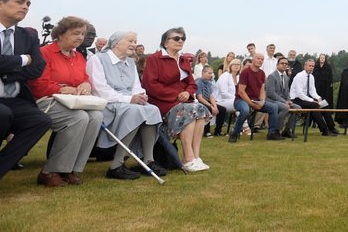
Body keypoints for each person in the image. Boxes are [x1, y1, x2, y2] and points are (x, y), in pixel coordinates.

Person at [0, 0, 52, 203]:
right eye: (20, 1)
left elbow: (37, 68)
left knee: (40, 120)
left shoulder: (28, 36)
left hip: (13, 98)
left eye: (28, 4)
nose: (25, 7)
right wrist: (22, 59)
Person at [29, 16, 105, 187]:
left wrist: (85, 84)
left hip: (73, 102)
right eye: (75, 33)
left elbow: (84, 78)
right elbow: (38, 84)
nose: (80, 37)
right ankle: (50, 171)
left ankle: (70, 169)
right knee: (79, 118)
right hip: (46, 101)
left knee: (96, 117)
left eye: (82, 34)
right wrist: (64, 89)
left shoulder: (78, 56)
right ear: (60, 34)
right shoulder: (45, 53)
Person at [88, 31, 166, 180]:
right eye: (130, 41)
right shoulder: (97, 59)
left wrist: (141, 95)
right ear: (116, 43)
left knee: (152, 110)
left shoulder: (130, 62)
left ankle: (147, 160)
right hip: (107, 104)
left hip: (127, 103)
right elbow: (100, 89)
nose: (134, 44)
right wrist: (129, 99)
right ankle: (116, 165)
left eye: (135, 41)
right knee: (134, 111)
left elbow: (136, 86)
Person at [141, 27, 211, 172]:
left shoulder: (183, 59)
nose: (181, 41)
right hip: (162, 101)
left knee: (200, 109)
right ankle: (187, 157)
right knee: (188, 111)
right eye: (176, 38)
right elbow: (150, 85)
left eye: (183, 38)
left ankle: (196, 156)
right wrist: (176, 95)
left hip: (182, 100)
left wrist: (187, 92)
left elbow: (192, 83)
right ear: (165, 43)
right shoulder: (155, 59)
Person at [235, 52, 283, 141]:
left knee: (274, 107)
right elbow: (241, 92)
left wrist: (262, 101)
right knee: (245, 110)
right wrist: (251, 104)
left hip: (255, 100)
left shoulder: (262, 73)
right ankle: (235, 133)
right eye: (258, 59)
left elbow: (262, 89)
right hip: (241, 100)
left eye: (262, 59)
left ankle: (271, 133)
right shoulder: (245, 72)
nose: (260, 61)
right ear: (253, 59)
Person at [290, 58, 338, 136]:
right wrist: (312, 100)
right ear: (305, 66)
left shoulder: (311, 77)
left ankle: (331, 128)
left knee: (324, 104)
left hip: (305, 99)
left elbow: (312, 91)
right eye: (310, 66)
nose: (311, 67)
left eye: (313, 66)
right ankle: (324, 130)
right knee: (315, 105)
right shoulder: (299, 76)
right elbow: (299, 94)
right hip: (296, 99)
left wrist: (318, 98)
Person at [265, 57, 296, 139]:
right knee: (285, 108)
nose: (284, 65)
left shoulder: (286, 77)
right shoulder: (272, 76)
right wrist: (284, 102)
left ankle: (287, 130)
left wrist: (289, 100)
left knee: (297, 107)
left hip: (282, 101)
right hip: (272, 100)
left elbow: (287, 91)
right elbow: (271, 93)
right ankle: (275, 131)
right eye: (282, 63)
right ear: (277, 65)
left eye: (286, 64)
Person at [213, 58, 241, 136]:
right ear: (230, 66)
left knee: (243, 104)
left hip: (232, 101)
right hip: (220, 101)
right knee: (239, 104)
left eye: (238, 65)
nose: (236, 66)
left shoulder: (239, 77)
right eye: (234, 64)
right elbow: (224, 93)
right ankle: (243, 127)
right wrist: (237, 98)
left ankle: (238, 128)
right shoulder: (225, 76)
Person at [195, 65, 218, 137]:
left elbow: (211, 96)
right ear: (203, 73)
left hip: (207, 101)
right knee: (208, 109)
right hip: (200, 102)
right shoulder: (199, 82)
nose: (211, 75)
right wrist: (211, 106)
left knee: (222, 109)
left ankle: (218, 131)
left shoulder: (209, 83)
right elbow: (199, 98)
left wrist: (215, 106)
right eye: (209, 73)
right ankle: (206, 131)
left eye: (212, 73)